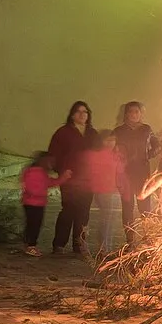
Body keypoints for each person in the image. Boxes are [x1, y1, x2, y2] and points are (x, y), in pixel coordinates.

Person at [46, 101, 95, 256]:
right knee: (68, 210)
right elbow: (54, 154)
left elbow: (99, 155)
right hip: (71, 179)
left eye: (85, 112)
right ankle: (59, 244)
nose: (82, 115)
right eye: (78, 112)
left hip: (88, 180)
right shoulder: (63, 133)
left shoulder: (92, 134)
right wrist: (62, 171)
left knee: (84, 212)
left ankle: (78, 243)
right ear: (72, 114)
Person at [108, 100, 158, 246]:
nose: (134, 114)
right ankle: (130, 239)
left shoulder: (146, 130)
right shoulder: (118, 131)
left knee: (145, 208)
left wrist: (148, 155)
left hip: (142, 173)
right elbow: (110, 150)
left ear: (141, 113)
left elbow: (157, 145)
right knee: (128, 207)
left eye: (136, 111)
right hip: (125, 174)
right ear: (126, 114)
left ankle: (148, 236)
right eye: (130, 112)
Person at [80, 130, 123, 255]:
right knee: (105, 220)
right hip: (101, 191)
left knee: (108, 220)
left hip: (110, 191)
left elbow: (119, 172)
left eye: (113, 140)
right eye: (107, 140)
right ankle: (103, 248)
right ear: (101, 141)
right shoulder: (96, 155)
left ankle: (105, 247)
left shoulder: (114, 155)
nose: (110, 143)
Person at [19, 153, 55, 256]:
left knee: (32, 224)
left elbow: (49, 182)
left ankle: (28, 244)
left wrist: (63, 179)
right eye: (50, 161)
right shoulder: (35, 172)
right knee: (34, 224)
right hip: (34, 203)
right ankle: (31, 246)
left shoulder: (38, 171)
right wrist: (41, 193)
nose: (51, 164)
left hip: (34, 202)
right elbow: (32, 188)